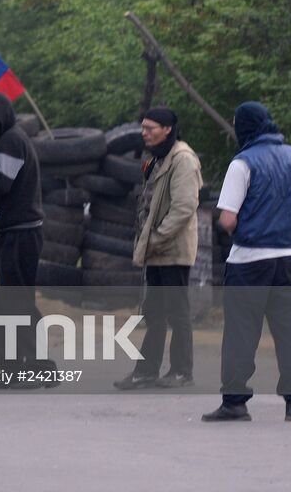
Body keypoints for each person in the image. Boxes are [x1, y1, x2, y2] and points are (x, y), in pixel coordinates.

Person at [203, 102, 291, 423]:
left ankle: (235, 403)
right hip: (288, 259)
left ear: (244, 127)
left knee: (241, 331)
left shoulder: (242, 163)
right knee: (290, 330)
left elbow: (227, 219)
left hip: (249, 261)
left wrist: (251, 226)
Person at [114, 107, 202, 390]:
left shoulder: (183, 160)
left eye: (150, 128)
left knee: (177, 311)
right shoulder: (158, 160)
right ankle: (147, 370)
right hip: (157, 249)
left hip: (173, 250)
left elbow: (184, 207)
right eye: (143, 128)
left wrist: (157, 238)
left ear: (167, 129)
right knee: (154, 311)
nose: (144, 133)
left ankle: (181, 371)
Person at [0, 91, 52, 389]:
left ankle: (41, 368)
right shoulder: (9, 139)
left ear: (1, 119)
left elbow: (2, 183)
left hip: (23, 232)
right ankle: (11, 370)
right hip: (14, 232)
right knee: (5, 305)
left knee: (18, 303)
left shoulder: (10, 141)